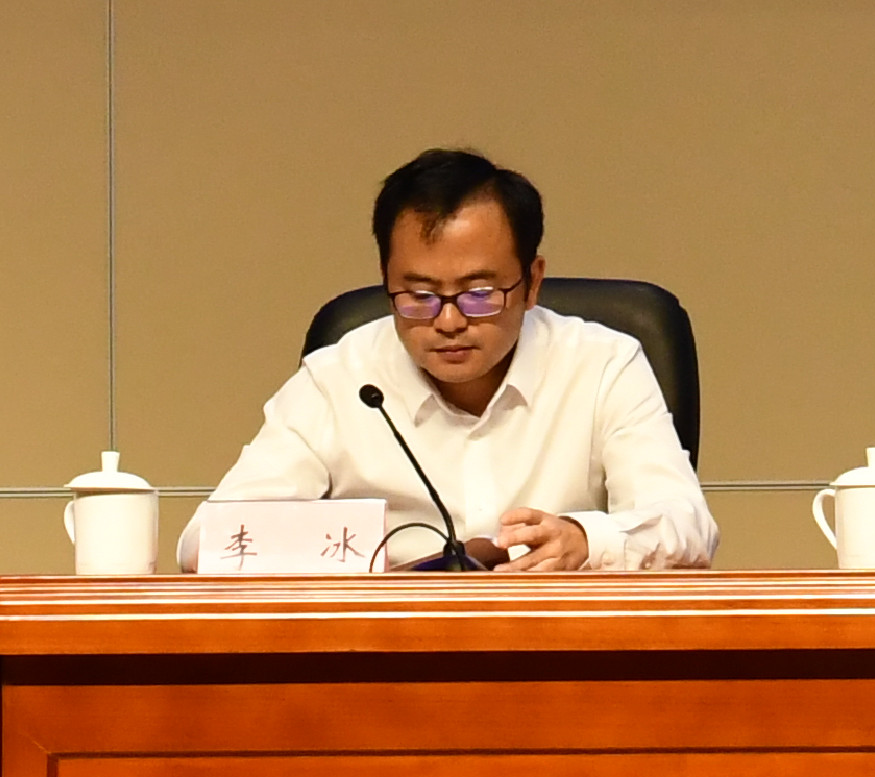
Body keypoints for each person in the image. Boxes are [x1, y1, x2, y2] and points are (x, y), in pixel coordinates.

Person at [178, 148, 718, 572]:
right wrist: (364, 554)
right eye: (419, 296)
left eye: (479, 293)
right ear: (386, 281)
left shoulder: (602, 366)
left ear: (532, 282)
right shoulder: (338, 380)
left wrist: (584, 541)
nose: (449, 321)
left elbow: (687, 525)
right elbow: (205, 543)